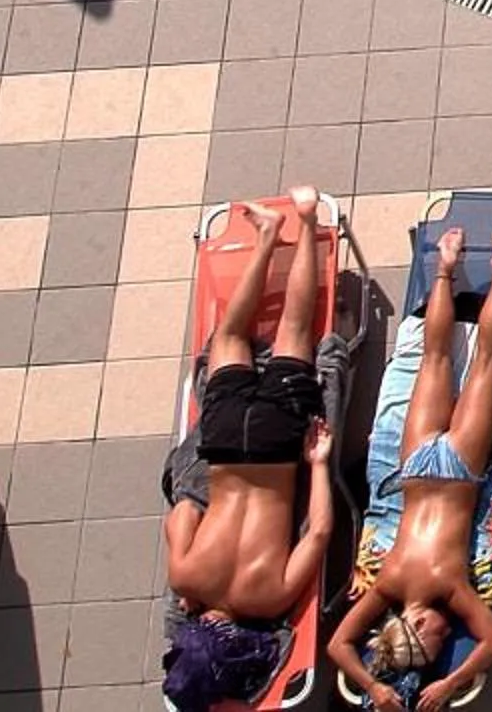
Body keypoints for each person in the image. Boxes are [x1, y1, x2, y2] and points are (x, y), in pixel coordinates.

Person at [327, 227, 492, 712]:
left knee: (487, 361)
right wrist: (375, 687)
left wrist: (451, 684)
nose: (447, 639)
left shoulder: (450, 586)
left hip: (460, 471)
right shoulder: (387, 584)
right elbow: (338, 646)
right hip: (416, 469)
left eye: (437, 641)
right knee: (435, 358)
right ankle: (445, 269)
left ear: (420, 626)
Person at [164, 187, 337, 712]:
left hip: (277, 449)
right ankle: (265, 237)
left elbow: (321, 530)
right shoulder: (185, 577)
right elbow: (183, 513)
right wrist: (188, 587)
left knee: (294, 332)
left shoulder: (269, 597)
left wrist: (320, 463)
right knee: (230, 338)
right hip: (223, 447)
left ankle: (305, 223)